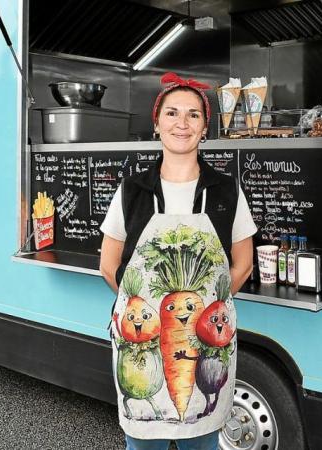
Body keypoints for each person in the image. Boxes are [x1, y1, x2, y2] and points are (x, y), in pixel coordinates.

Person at [99, 72, 257, 450]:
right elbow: (108, 264)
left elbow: (244, 264)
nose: (181, 124)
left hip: (204, 350)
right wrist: (148, 311)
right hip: (142, 348)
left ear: (205, 128)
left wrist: (204, 317)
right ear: (157, 125)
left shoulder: (227, 191)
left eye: (192, 115)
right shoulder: (132, 190)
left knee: (201, 438)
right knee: (143, 438)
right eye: (171, 114)